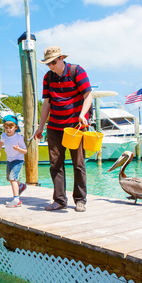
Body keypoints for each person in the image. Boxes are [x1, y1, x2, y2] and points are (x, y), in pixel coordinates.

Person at [33, 46, 92, 212]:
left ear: (61, 59)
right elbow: (47, 103)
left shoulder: (77, 71)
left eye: (53, 62)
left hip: (76, 126)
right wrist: (40, 127)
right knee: (55, 164)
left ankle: (80, 200)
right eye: (48, 63)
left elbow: (88, 95)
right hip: (55, 127)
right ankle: (59, 200)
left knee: (78, 164)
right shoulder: (48, 78)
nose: (51, 65)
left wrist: (82, 114)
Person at [0, 115, 28, 207]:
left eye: (11, 127)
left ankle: (17, 200)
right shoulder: (3, 136)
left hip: (18, 160)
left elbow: (25, 151)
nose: (8, 130)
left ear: (16, 127)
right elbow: (1, 142)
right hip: (10, 160)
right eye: (6, 128)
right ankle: (21, 186)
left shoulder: (18, 138)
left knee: (12, 179)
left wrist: (18, 149)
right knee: (10, 178)